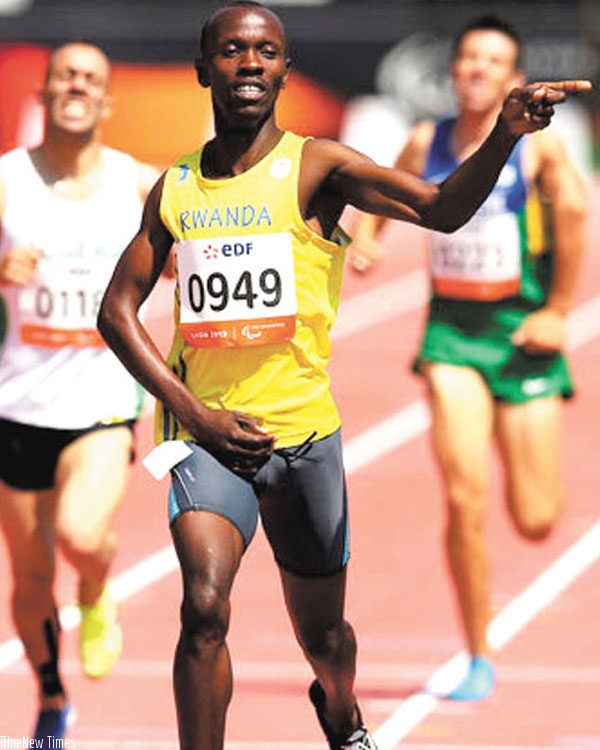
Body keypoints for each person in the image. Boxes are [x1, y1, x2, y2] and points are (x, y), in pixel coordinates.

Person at [97, 2, 589, 747]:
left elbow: (441, 208)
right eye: (232, 51)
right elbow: (116, 311)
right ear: (205, 70)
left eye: (266, 51)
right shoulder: (176, 188)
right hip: (208, 442)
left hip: (304, 442)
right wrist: (194, 416)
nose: (250, 64)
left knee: (326, 641)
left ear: (287, 70)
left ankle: (341, 707)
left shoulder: (319, 167)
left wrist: (505, 136)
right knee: (202, 608)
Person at [349, 15, 589, 701]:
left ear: (514, 78)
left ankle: (526, 448)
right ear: (452, 72)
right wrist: (365, 237)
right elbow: (377, 185)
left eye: (495, 61)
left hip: (520, 336)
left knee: (536, 516)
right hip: (450, 335)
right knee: (463, 495)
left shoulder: (538, 152)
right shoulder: (427, 139)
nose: (480, 70)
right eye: (470, 59)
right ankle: (477, 652)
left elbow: (572, 217)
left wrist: (556, 311)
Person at [0, 41, 159, 745]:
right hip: (17, 403)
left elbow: (217, 224)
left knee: (80, 535)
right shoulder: (6, 181)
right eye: (66, 75)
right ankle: (51, 697)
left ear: (107, 100)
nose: (77, 86)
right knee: (30, 581)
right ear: (44, 89)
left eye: (91, 79)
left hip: (101, 403)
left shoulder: (136, 182)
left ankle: (96, 588)